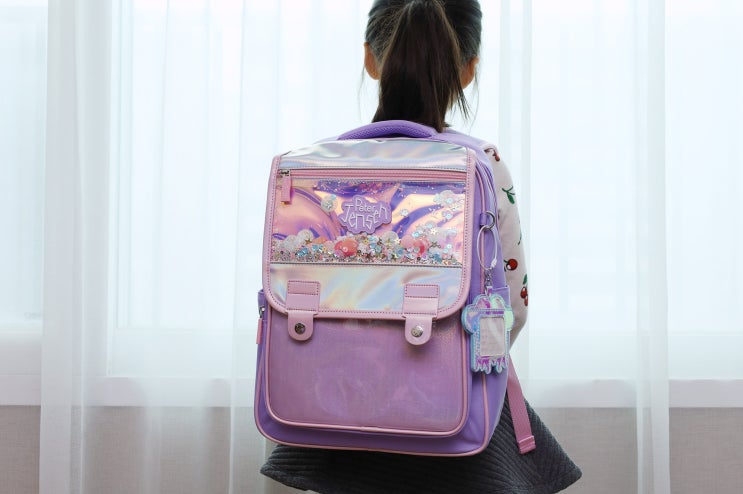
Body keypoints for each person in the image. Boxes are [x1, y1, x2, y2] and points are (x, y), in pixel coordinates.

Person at [261, 1, 582, 492]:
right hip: (448, 412)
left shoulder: (313, 166)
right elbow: (511, 307)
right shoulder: (481, 161)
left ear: (370, 59)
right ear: (469, 70)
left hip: (328, 406)